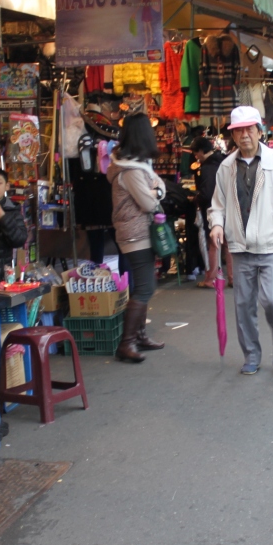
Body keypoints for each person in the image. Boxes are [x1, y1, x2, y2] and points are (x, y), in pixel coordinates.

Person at [209, 105, 273, 375]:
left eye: (249, 129)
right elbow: (218, 204)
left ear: (259, 131)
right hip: (240, 247)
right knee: (243, 306)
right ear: (233, 135)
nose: (244, 135)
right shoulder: (226, 167)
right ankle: (251, 355)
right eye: (238, 131)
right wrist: (216, 224)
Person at [107, 114, 168, 363]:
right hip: (135, 234)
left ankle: (139, 336)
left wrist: (156, 191)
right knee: (145, 287)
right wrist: (156, 193)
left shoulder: (136, 166)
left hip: (138, 232)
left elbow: (160, 186)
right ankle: (127, 342)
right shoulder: (131, 170)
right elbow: (148, 202)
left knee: (144, 285)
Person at [191, 135, 232, 289]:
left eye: (196, 153)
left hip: (213, 210)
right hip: (229, 206)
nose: (196, 156)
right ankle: (233, 278)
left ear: (202, 151)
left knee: (213, 244)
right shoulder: (223, 161)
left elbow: (208, 193)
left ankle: (211, 279)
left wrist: (197, 198)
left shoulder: (208, 167)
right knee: (228, 244)